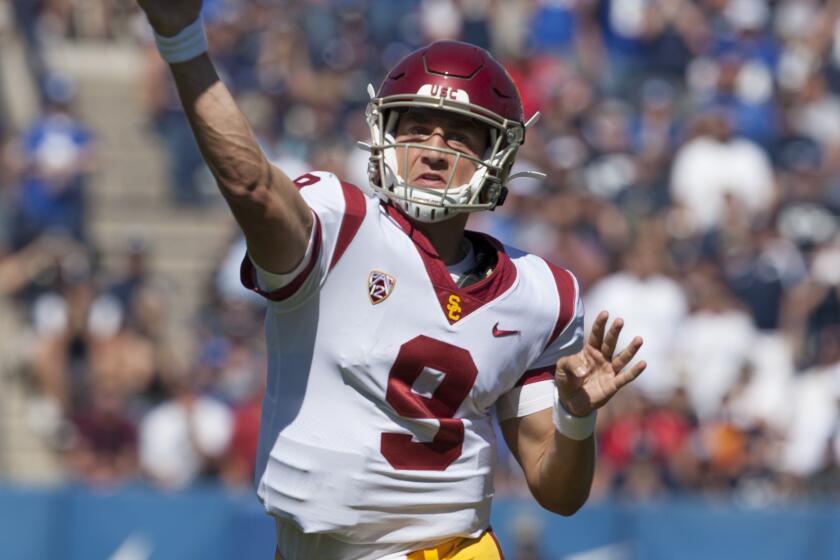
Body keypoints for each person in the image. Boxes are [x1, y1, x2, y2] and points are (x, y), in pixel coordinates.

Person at [137, 2, 647, 558]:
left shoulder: (542, 294)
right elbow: (251, 188)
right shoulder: (339, 225)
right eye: (417, 129)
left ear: (495, 158)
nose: (432, 149)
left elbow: (559, 493)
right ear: (385, 137)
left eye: (457, 136)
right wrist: (183, 41)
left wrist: (576, 417)